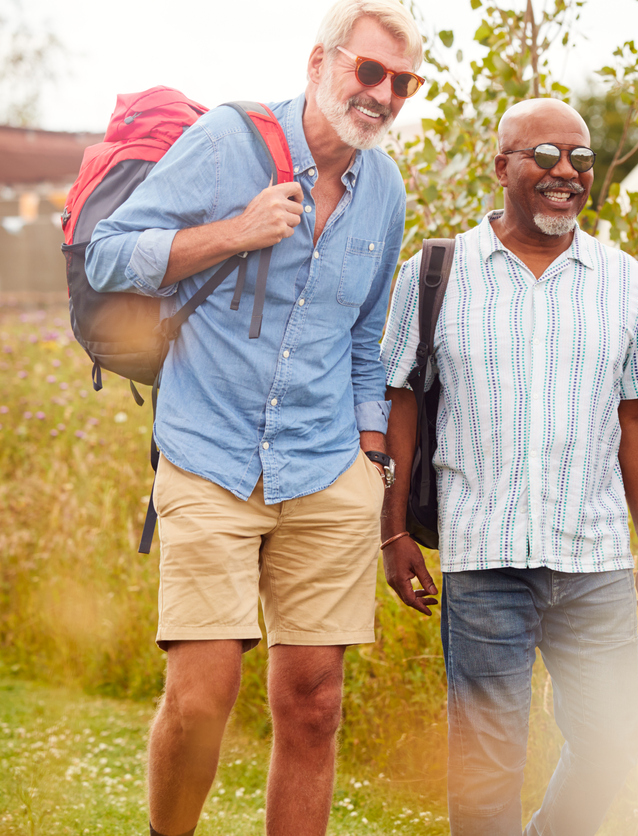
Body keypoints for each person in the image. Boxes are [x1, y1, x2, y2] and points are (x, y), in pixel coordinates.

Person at [85, 2, 423, 834]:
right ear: (321, 63)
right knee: (202, 699)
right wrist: (233, 231)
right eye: (369, 71)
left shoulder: (386, 192)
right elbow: (108, 252)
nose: (383, 94)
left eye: (403, 82)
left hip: (325, 468)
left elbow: (362, 340)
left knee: (313, 707)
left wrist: (372, 463)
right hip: (209, 455)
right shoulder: (230, 142)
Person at [379, 97, 638, 836]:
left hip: (595, 559)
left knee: (617, 735)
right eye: (544, 155)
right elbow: (400, 406)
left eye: (578, 157)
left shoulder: (622, 280)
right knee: (486, 764)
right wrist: (392, 533)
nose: (565, 172)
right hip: (484, 559)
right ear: (502, 165)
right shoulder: (435, 274)